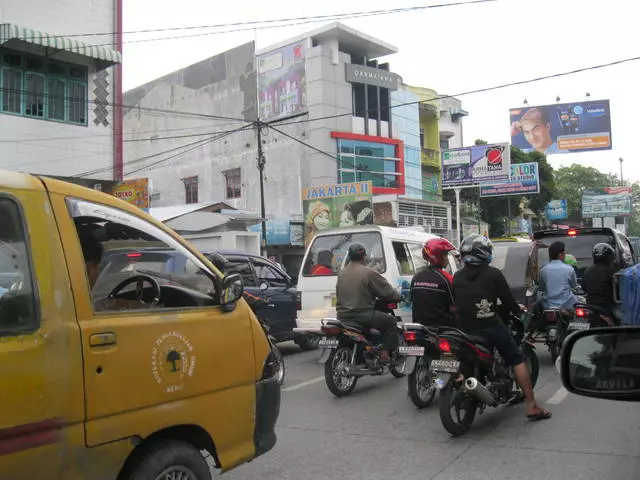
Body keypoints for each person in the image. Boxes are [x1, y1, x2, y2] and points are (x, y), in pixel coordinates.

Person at [453, 234, 551, 421]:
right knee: (516, 359)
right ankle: (532, 406)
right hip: (489, 326)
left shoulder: (457, 277)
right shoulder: (494, 274)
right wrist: (517, 308)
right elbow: (508, 302)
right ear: (484, 253)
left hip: (464, 330)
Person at [335, 243, 402, 363]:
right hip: (363, 315)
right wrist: (398, 297)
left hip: (342, 316)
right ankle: (385, 353)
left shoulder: (342, 273)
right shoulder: (368, 272)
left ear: (350, 256)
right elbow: (387, 292)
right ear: (363, 256)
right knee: (392, 322)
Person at [409, 237, 457, 328]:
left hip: (419, 327)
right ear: (439, 256)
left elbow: (412, 302)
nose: (447, 258)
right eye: (445, 255)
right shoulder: (447, 278)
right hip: (443, 328)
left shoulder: (416, 277)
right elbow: (453, 307)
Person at [582, 243, 622, 325]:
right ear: (610, 256)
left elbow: (584, 288)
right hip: (608, 308)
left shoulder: (587, 271)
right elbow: (619, 290)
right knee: (624, 322)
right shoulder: (612, 271)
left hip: (591, 307)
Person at [539, 241, 578, 310]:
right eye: (564, 252)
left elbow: (541, 288)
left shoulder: (543, 270)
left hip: (548, 306)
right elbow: (574, 285)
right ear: (560, 254)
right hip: (566, 305)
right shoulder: (569, 269)